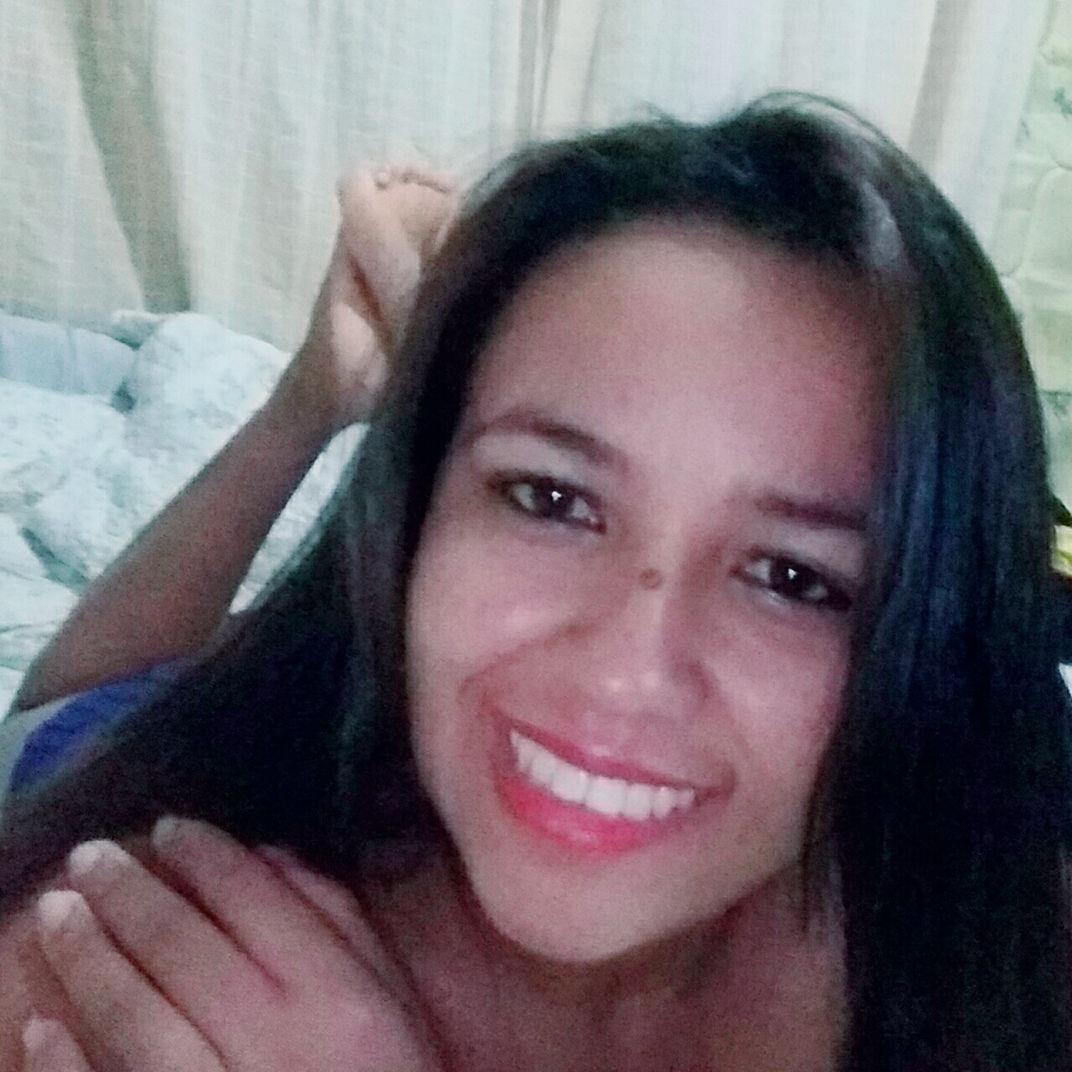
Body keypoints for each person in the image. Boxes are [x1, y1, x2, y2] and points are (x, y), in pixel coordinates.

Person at [0, 92, 1069, 1072]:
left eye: (791, 576)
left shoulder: (980, 923)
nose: (625, 674)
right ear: (420, 509)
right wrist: (306, 411)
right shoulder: (124, 973)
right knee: (55, 726)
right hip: (114, 731)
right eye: (552, 499)